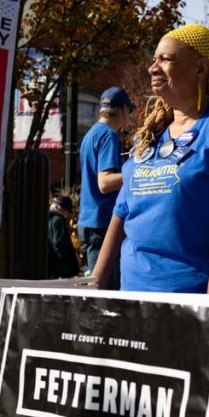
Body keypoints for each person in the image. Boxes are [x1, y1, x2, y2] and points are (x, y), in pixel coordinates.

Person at [92, 23, 209, 295]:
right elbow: (120, 216)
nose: (153, 67)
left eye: (166, 59)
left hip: (192, 300)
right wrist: (95, 284)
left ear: (199, 68)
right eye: (154, 59)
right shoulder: (148, 137)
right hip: (134, 298)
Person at [78, 86, 134, 285]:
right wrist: (136, 172)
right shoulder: (108, 135)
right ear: (123, 110)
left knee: (97, 287)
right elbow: (104, 182)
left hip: (90, 221)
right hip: (102, 225)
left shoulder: (91, 134)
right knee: (103, 295)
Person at [47, 195, 80, 279]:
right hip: (60, 269)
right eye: (68, 211)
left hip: (50, 267)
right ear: (61, 208)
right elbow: (59, 244)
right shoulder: (58, 220)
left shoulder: (48, 218)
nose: (68, 214)